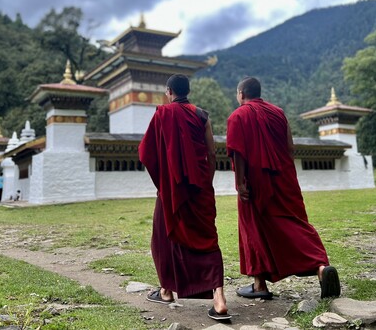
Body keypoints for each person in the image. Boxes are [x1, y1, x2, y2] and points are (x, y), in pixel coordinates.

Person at [226, 77, 340, 300]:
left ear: (241, 94)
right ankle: (320, 268)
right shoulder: (278, 113)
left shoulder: (238, 116)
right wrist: (284, 172)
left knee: (253, 229)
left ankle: (259, 285)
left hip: (255, 181)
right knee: (294, 223)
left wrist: (240, 182)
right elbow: (290, 147)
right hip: (283, 179)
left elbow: (237, 152)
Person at [139, 74, 230, 321]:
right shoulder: (202, 115)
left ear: (168, 91)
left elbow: (147, 153)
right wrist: (205, 183)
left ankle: (167, 290)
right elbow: (212, 154)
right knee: (208, 240)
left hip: (171, 190)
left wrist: (165, 182)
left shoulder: (161, 115)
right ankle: (219, 299)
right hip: (199, 189)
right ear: (188, 91)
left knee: (163, 236)